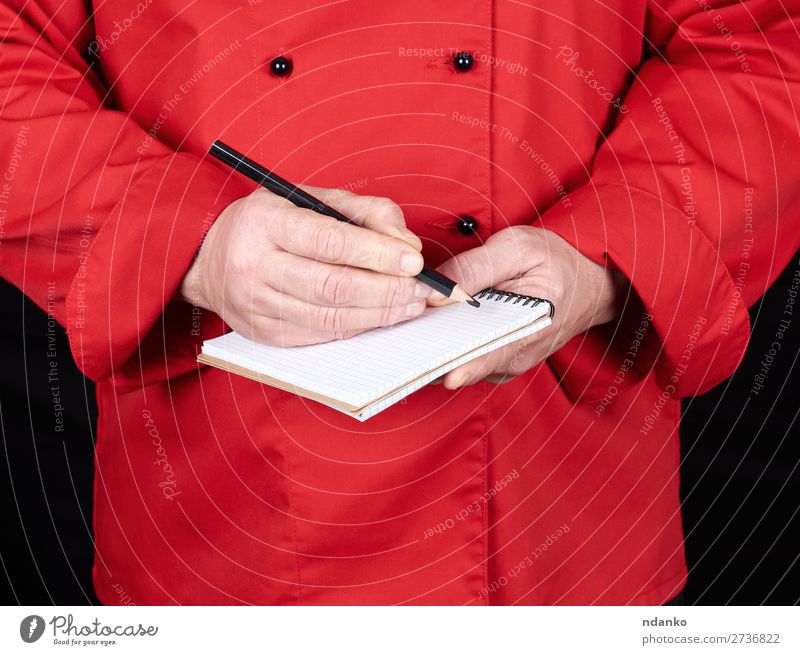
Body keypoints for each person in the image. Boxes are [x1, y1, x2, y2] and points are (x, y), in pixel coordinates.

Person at [1, 0, 797, 605]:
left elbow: (763, 47)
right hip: (218, 511)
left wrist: (608, 256)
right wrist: (188, 240)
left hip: (558, 507)